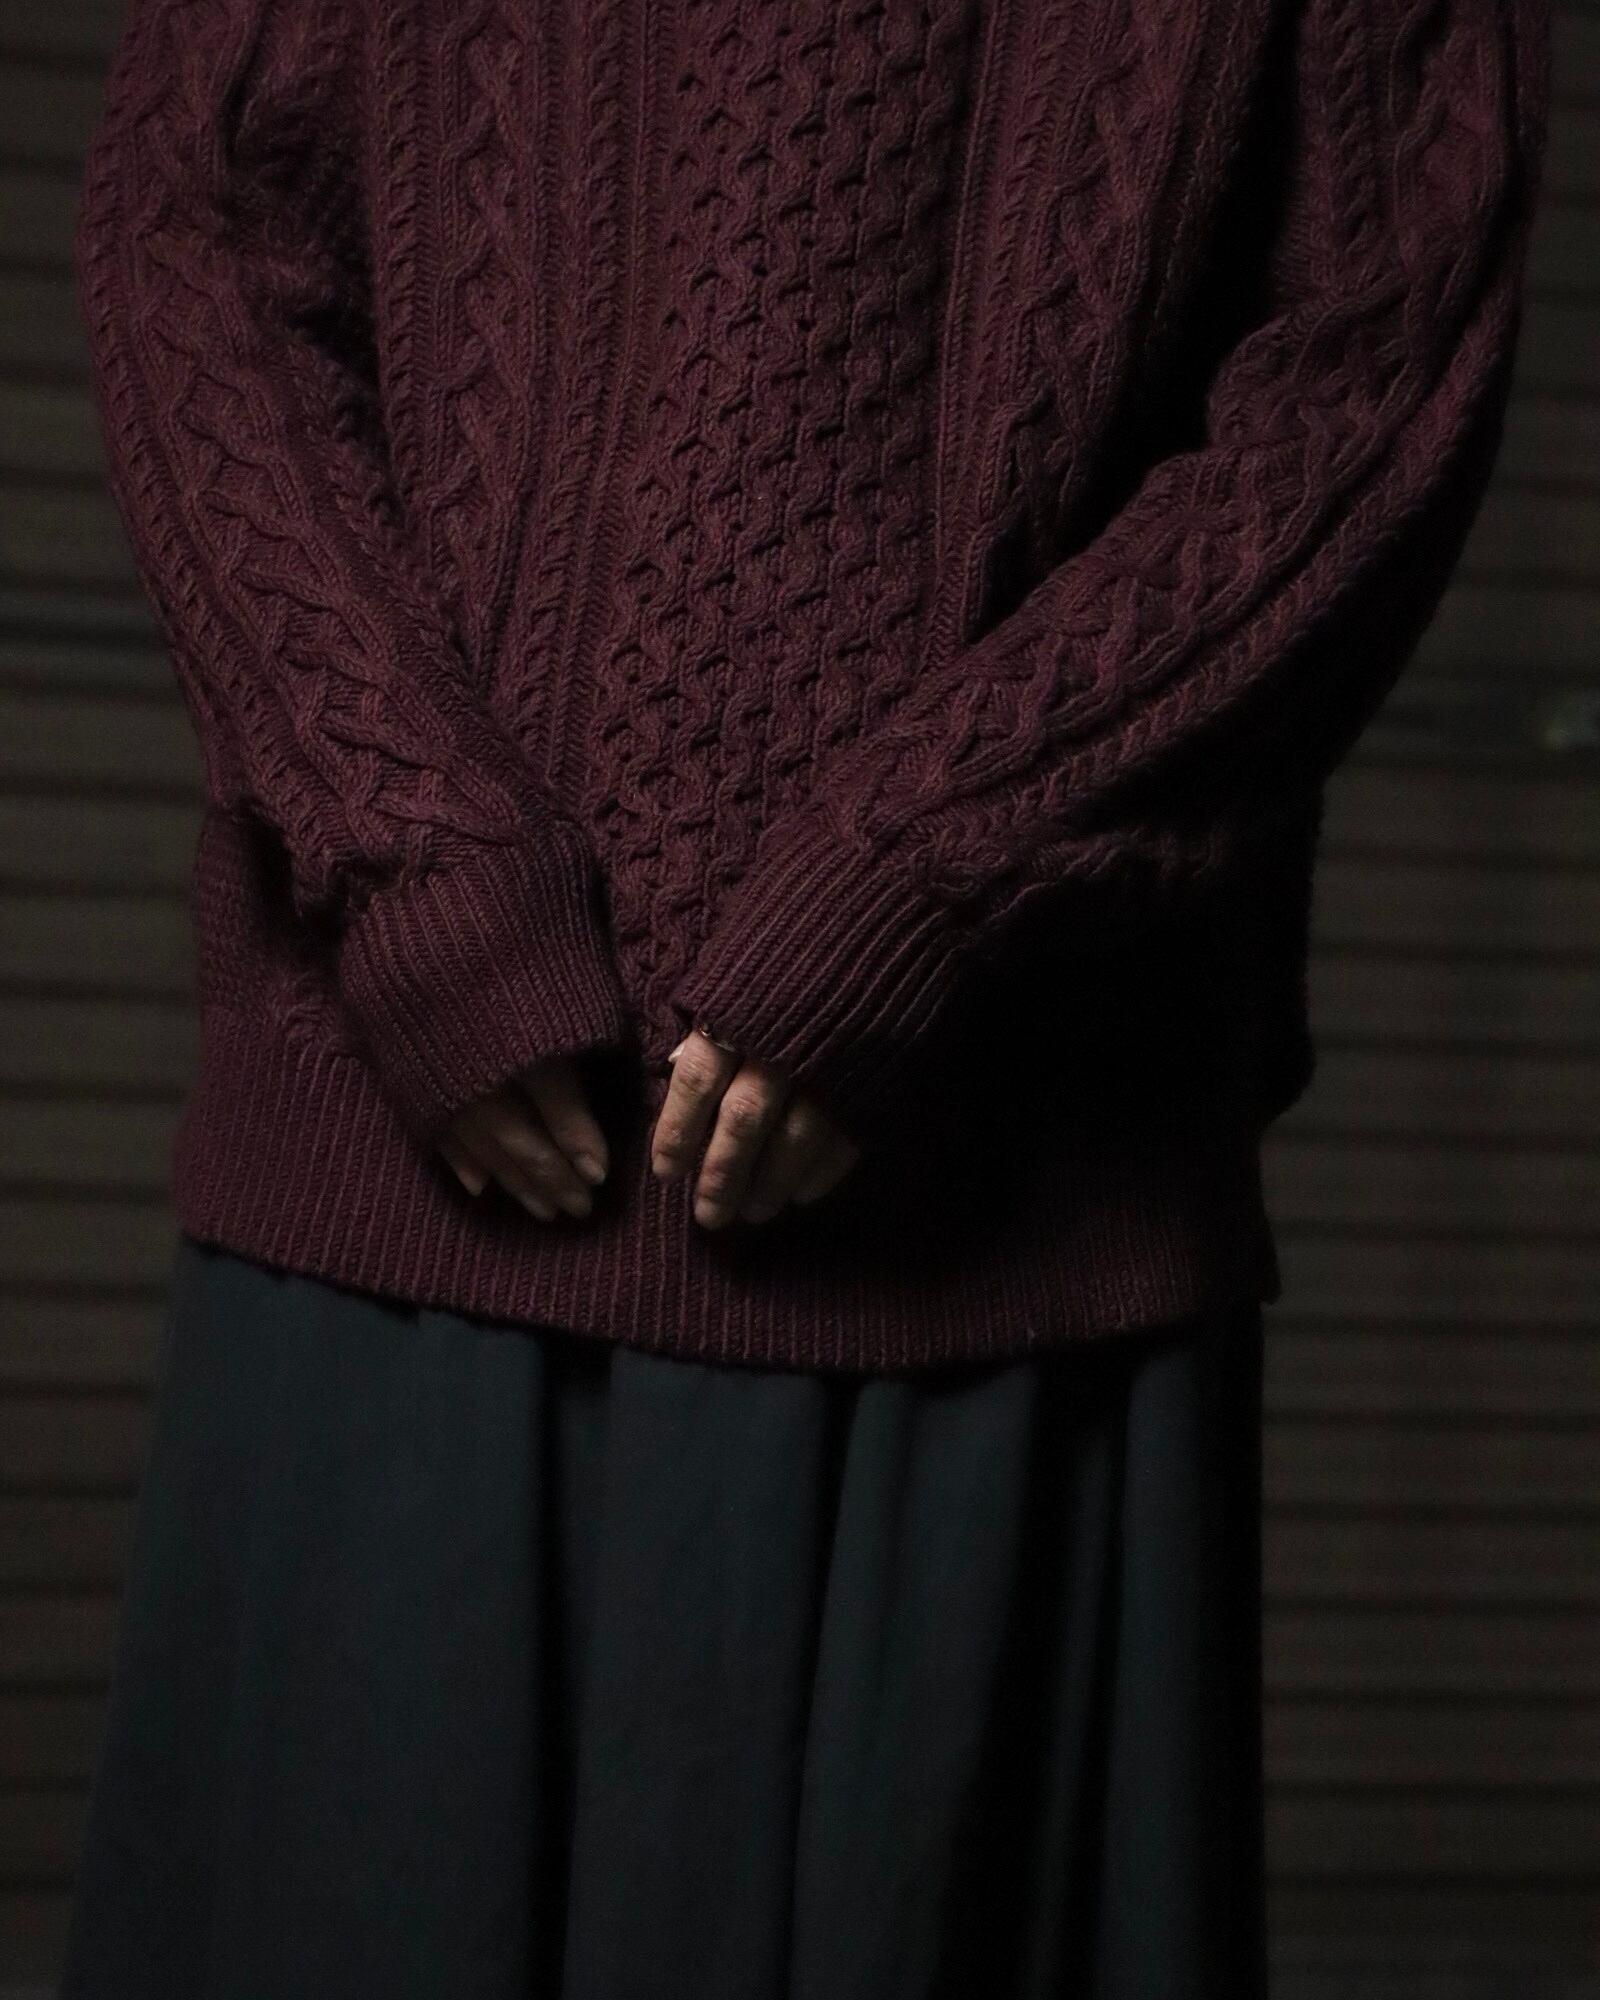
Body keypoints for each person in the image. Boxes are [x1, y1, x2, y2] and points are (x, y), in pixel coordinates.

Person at [58, 0, 1547, 1992]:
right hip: (407, 1189)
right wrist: (411, 847)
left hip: (997, 1237)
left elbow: (1376, 366)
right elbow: (193, 238)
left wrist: (937, 874)